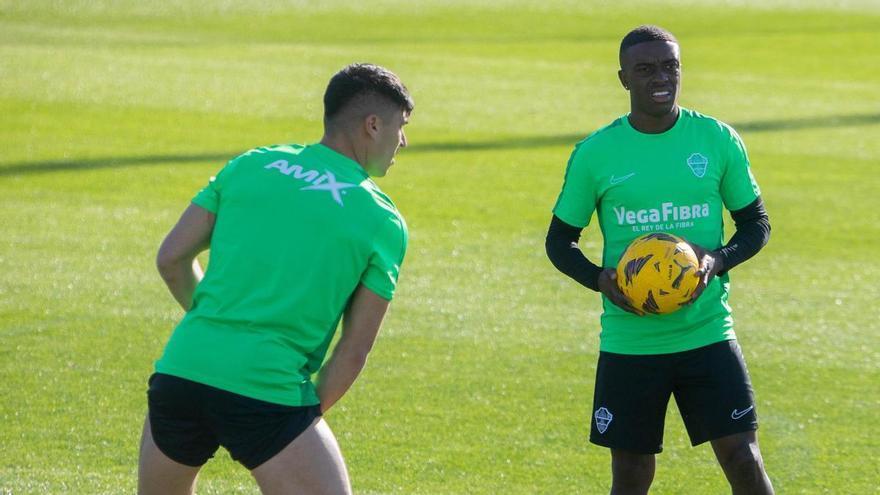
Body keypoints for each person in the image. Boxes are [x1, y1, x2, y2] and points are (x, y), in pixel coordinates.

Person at [138, 63, 413, 495]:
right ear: (373, 125)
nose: (403, 142)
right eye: (401, 127)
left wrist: (221, 328)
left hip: (182, 370)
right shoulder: (381, 219)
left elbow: (172, 258)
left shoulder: (252, 164)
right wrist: (296, 419)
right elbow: (354, 349)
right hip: (268, 389)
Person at [546, 26, 774, 494]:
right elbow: (559, 242)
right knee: (631, 476)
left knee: (745, 461)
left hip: (707, 333)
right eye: (645, 69)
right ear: (623, 78)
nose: (660, 77)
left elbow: (757, 225)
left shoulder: (716, 140)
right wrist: (600, 280)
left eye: (670, 66)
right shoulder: (596, 154)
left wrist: (719, 261)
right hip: (631, 343)